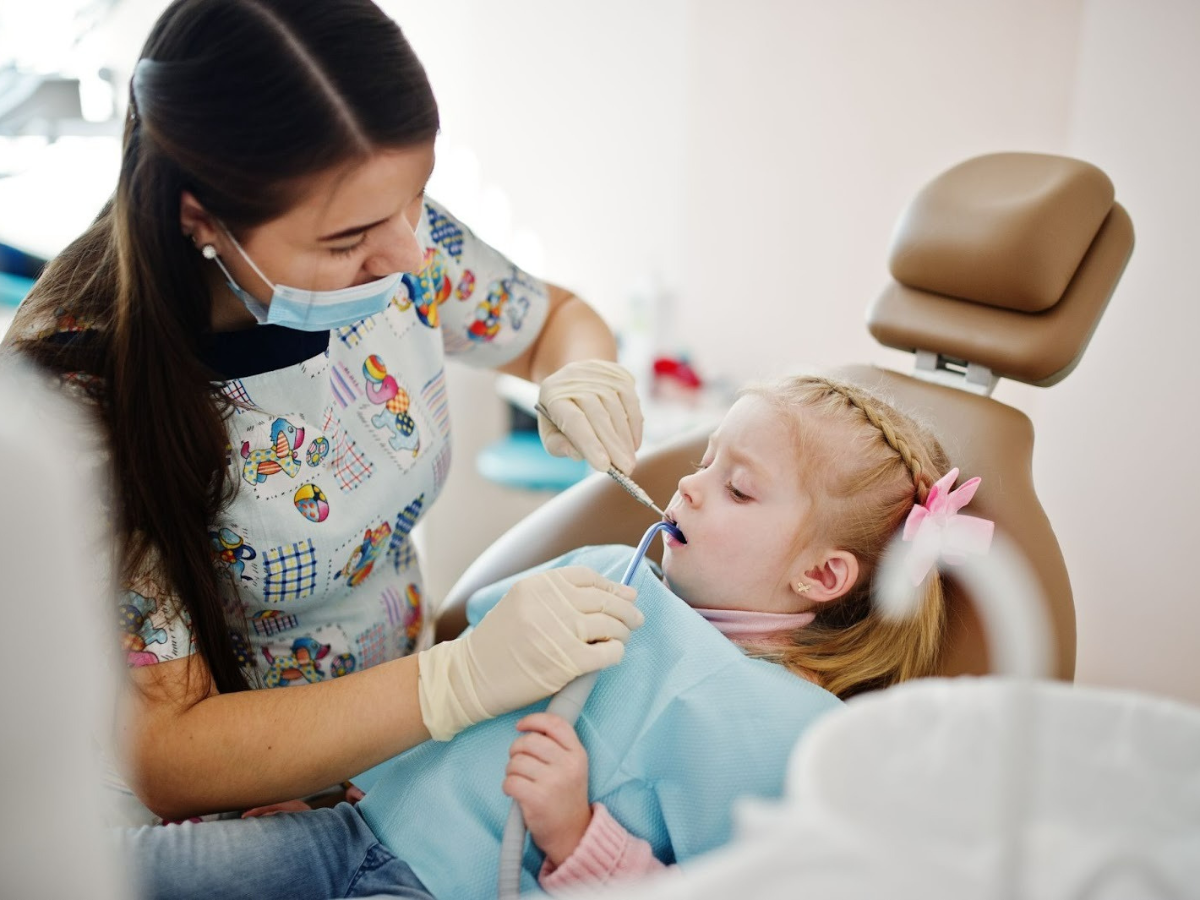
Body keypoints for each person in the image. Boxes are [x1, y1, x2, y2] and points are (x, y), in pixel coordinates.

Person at [1, 0, 648, 826]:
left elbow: (553, 319)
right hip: (226, 815)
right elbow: (167, 752)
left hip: (402, 748)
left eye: (417, 198)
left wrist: (582, 370)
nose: (410, 255)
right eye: (346, 242)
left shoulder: (398, 240)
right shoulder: (77, 399)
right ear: (201, 218)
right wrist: (457, 681)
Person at [120, 374, 993, 899]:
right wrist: (336, 783)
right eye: (704, 462)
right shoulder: (612, 571)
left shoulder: (780, 728)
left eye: (738, 489)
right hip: (346, 831)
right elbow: (451, 690)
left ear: (823, 576)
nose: (687, 488)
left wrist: (578, 836)